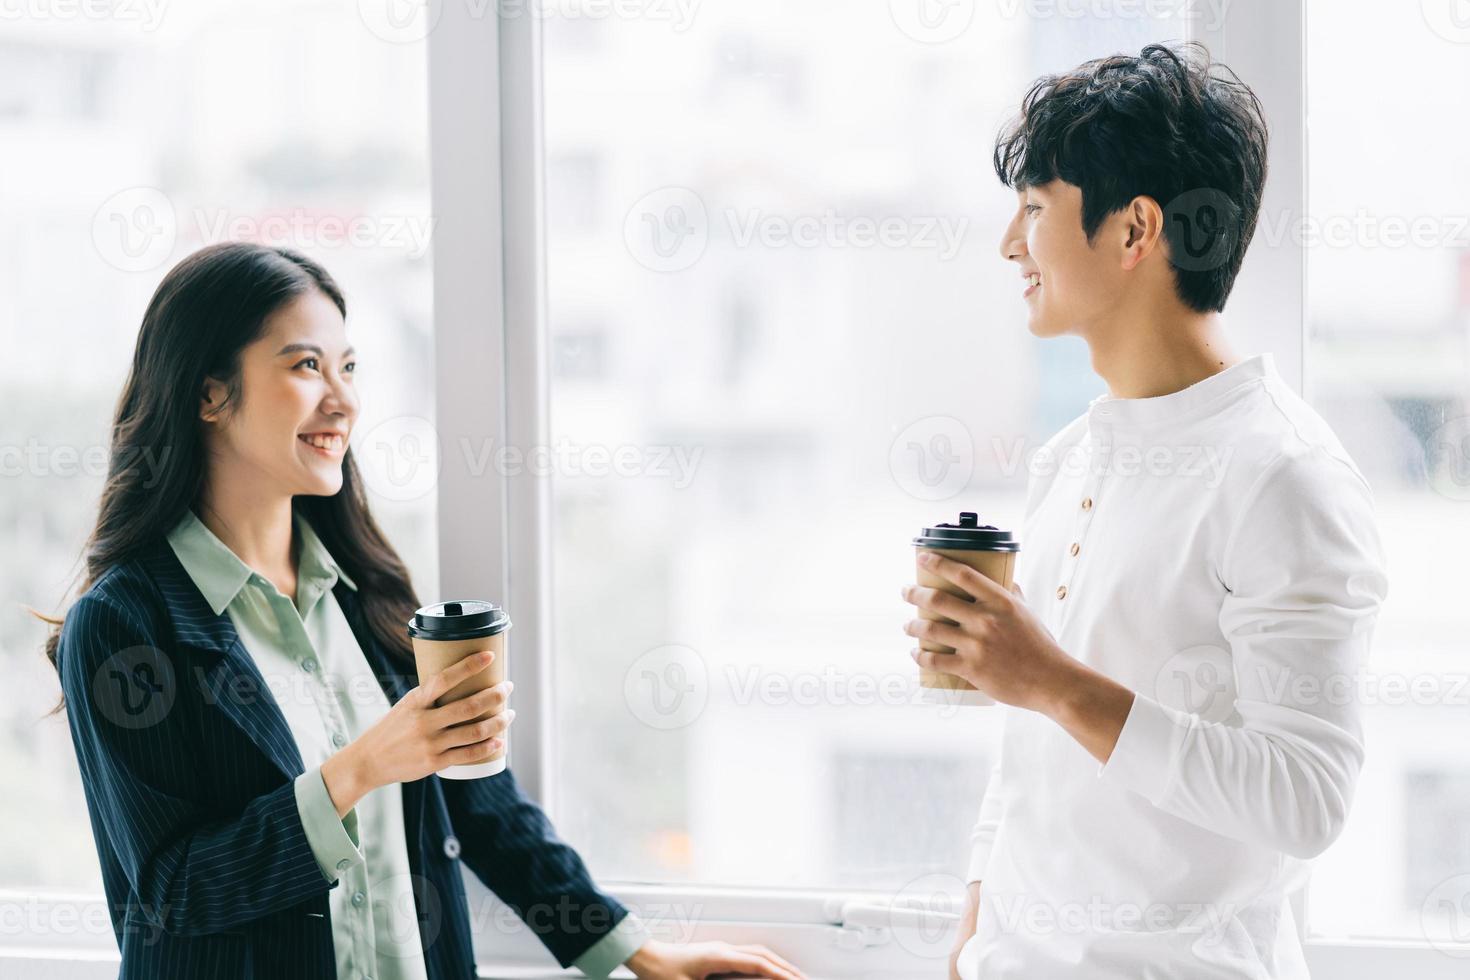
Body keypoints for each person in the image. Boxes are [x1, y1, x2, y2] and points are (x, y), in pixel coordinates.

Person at [41, 241, 805, 980]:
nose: (344, 399)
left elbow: (485, 810)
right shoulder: (123, 624)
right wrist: (361, 768)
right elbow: (171, 896)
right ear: (210, 392)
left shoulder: (364, 588)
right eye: (307, 365)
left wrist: (633, 954)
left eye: (348, 367)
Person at [900, 43, 1388, 979]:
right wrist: (969, 946)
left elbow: (1308, 798)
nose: (1011, 243)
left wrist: (1048, 678)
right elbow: (1029, 756)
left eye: (1036, 209)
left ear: (1135, 233)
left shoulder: (1284, 476)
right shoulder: (1069, 458)